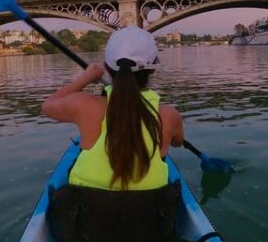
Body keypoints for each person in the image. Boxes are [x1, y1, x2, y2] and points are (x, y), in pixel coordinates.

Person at [42, 26, 184, 190]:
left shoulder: (83, 105)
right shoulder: (170, 116)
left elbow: (46, 106)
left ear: (106, 66)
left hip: (88, 208)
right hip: (149, 210)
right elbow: (177, 143)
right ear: (152, 69)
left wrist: (86, 78)